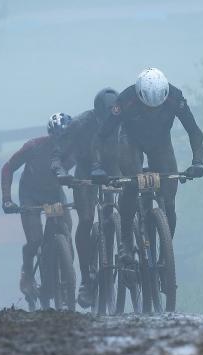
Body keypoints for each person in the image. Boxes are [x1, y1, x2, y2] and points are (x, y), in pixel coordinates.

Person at [91, 67, 203, 259]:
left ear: (165, 96)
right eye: (147, 106)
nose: (153, 110)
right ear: (139, 96)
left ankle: (165, 253)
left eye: (157, 106)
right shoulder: (126, 99)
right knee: (132, 184)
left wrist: (198, 162)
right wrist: (97, 166)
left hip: (160, 142)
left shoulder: (175, 97)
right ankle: (126, 241)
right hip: (131, 141)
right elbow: (101, 135)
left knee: (169, 201)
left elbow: (194, 131)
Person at [51, 87, 121, 308]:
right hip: (85, 172)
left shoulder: (123, 118)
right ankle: (87, 279)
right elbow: (57, 155)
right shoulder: (79, 124)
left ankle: (124, 246)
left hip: (112, 168)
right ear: (97, 114)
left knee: (112, 213)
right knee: (87, 220)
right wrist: (61, 173)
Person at [1, 112, 74, 297]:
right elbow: (8, 168)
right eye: (57, 138)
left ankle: (65, 276)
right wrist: (7, 199)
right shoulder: (33, 147)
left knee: (66, 232)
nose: (60, 143)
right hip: (30, 195)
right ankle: (27, 273)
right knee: (35, 240)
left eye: (65, 138)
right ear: (50, 135)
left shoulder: (74, 150)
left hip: (54, 194)